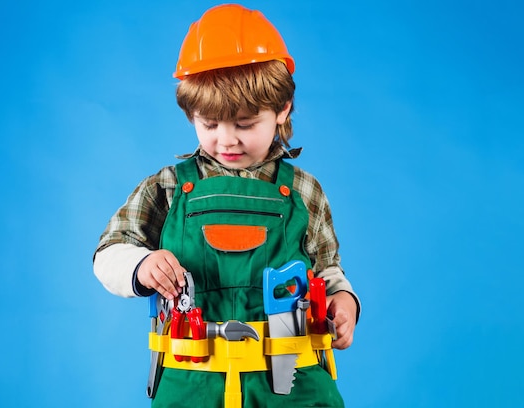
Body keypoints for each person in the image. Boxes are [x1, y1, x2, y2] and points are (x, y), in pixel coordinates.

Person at [93, 4, 360, 407]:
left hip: (292, 385)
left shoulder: (305, 191)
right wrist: (139, 266)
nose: (227, 140)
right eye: (210, 124)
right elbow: (107, 254)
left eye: (245, 123)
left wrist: (345, 303)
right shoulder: (167, 188)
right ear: (191, 115)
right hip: (193, 381)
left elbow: (327, 270)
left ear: (282, 109)